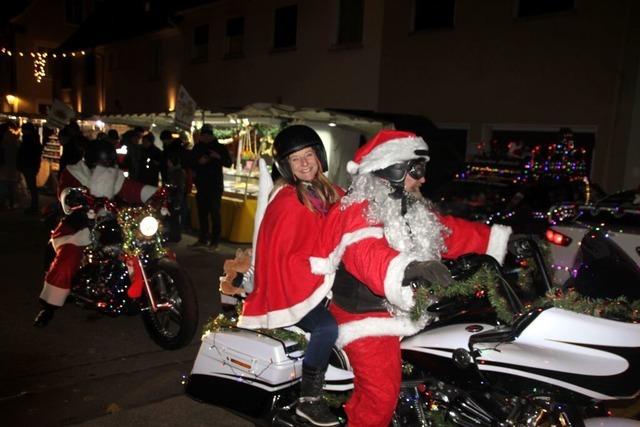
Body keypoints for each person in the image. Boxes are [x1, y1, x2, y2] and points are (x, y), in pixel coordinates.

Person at [311, 130, 512, 427]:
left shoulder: (409, 206)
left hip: (412, 308)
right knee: (380, 394)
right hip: (366, 318)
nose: (423, 179)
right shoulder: (356, 210)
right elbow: (365, 253)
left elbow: (448, 232)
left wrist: (499, 240)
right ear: (393, 168)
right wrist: (408, 268)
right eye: (416, 170)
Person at [237, 125, 342, 427]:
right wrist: (321, 268)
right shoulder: (286, 200)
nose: (305, 163)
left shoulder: (330, 191)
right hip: (295, 290)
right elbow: (282, 257)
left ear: (319, 157)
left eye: (308, 155)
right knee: (326, 329)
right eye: (295, 160)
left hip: (326, 283)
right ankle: (310, 400)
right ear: (287, 166)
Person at [33, 139, 159, 327]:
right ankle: (49, 306)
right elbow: (65, 190)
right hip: (79, 221)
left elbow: (132, 189)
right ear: (92, 160)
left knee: (136, 247)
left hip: (110, 219)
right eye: (103, 162)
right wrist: (73, 198)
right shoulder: (74, 172)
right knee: (69, 256)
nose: (107, 165)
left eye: (109, 162)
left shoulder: (115, 175)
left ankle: (135, 293)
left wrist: (158, 193)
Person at [189, 124, 232, 250]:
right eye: (204, 135)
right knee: (202, 213)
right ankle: (202, 238)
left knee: (214, 213)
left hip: (215, 185)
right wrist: (199, 162)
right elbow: (190, 163)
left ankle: (215, 241)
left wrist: (217, 157)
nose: (206, 137)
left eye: (208, 135)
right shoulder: (198, 147)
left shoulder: (220, 147)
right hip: (201, 185)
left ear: (212, 135)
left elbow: (228, 163)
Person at [17, 122, 43, 214]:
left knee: (32, 186)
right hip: (32, 165)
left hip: (29, 165)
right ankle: (34, 205)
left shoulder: (29, 140)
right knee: (32, 186)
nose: (23, 131)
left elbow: (25, 153)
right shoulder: (35, 139)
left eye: (24, 129)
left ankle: (34, 206)